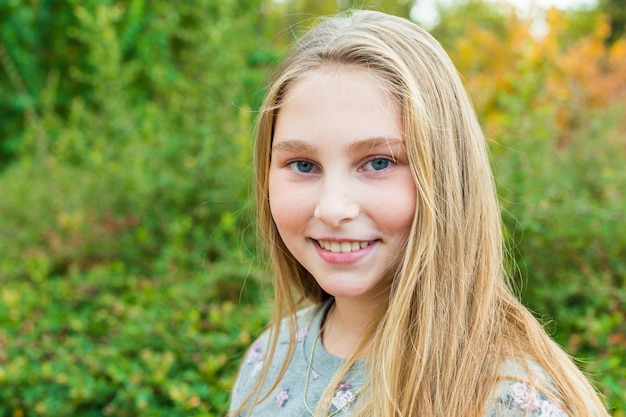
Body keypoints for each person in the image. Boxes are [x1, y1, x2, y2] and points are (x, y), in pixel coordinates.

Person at [228, 9, 609, 417]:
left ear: (446, 176)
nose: (333, 208)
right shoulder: (270, 357)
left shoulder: (507, 401)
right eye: (303, 165)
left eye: (378, 162)